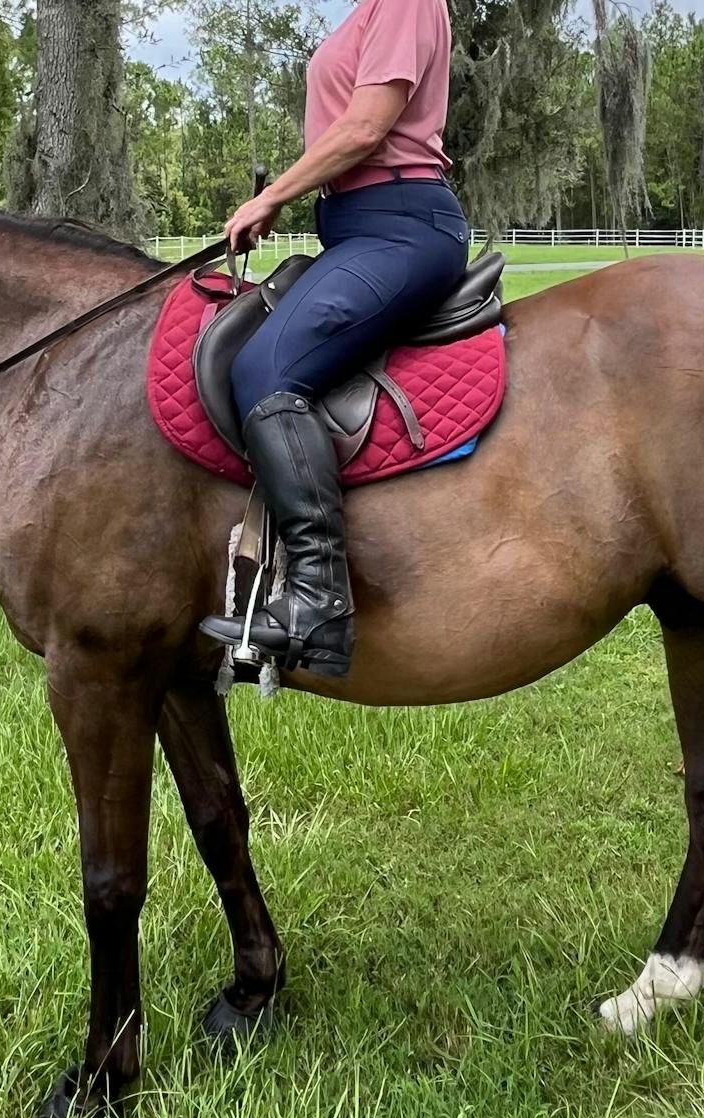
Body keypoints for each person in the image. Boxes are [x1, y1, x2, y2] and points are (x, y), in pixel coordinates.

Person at [199, 0, 469, 678]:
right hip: (358, 229)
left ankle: (318, 599)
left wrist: (270, 197)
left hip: (401, 225)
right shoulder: (365, 12)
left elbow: (366, 127)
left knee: (266, 371)